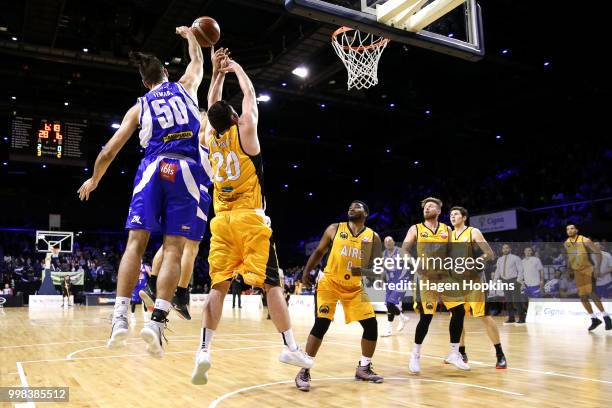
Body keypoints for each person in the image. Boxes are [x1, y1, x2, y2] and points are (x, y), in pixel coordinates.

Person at [78, 26, 208, 356]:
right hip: (186, 171)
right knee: (175, 248)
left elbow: (109, 151)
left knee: (136, 242)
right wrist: (190, 34)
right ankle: (157, 320)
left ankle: (121, 317)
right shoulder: (186, 87)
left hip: (153, 169)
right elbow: (197, 60)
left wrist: (95, 179)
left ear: (144, 82)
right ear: (166, 73)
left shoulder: (139, 107)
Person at [191, 54, 311, 385]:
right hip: (250, 220)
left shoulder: (208, 138)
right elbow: (250, 99)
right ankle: (289, 346)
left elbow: (211, 103)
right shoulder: (245, 135)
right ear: (234, 118)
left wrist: (216, 74)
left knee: (218, 286)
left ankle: (203, 350)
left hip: (221, 221)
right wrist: (237, 69)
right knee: (273, 285)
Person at [295, 201, 384, 392]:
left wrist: (360, 270)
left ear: (366, 213)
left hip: (354, 288)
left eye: (357, 206)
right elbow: (319, 252)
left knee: (371, 325)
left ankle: (364, 367)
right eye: (350, 206)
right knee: (322, 323)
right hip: (329, 283)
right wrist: (305, 272)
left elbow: (377, 269)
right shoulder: (334, 229)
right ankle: (304, 370)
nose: (351, 208)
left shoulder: (373, 237)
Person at [401, 197, 469, 374]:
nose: (427, 208)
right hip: (426, 279)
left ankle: (454, 353)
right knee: (426, 317)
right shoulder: (415, 228)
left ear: (439, 211)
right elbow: (404, 251)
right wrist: (415, 264)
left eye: (431, 206)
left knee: (459, 310)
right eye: (425, 206)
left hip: (445, 276)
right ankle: (415, 354)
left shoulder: (447, 229)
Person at [448, 206, 506, 369]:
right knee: (456, 317)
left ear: (464, 217)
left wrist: (474, 262)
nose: (452, 217)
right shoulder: (449, 236)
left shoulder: (473, 232)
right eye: (450, 215)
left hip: (474, 281)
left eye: (456, 214)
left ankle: (500, 353)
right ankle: (461, 353)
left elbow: (489, 253)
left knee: (483, 316)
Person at [564, 224, 611, 331]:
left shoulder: (585, 240)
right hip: (577, 272)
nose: (569, 230)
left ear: (576, 230)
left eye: (572, 228)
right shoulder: (566, 243)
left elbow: (598, 253)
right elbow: (569, 257)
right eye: (567, 229)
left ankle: (606, 317)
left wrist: (597, 268)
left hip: (588, 270)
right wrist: (569, 269)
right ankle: (594, 319)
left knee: (591, 293)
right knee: (582, 297)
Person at [380, 236, 410, 337]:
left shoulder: (401, 251)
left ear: (394, 242)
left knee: (390, 303)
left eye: (390, 240)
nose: (388, 242)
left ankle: (401, 319)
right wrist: (381, 280)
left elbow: (412, 262)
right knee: (389, 306)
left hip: (402, 280)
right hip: (390, 282)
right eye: (386, 241)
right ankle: (400, 319)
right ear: (384, 244)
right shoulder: (383, 254)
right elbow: (383, 270)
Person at [493, 244, 525, 324]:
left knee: (516, 300)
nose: (505, 249)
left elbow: (521, 270)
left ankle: (522, 318)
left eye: (507, 248)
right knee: (508, 301)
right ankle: (511, 318)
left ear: (510, 249)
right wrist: (495, 280)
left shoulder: (515, 258)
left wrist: (518, 281)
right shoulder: (500, 259)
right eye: (503, 248)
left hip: (514, 280)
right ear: (502, 250)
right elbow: (498, 270)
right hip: (504, 281)